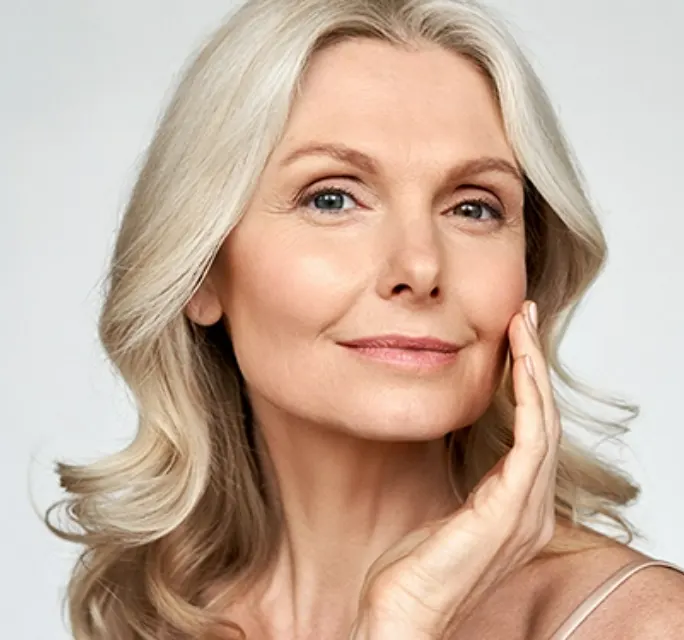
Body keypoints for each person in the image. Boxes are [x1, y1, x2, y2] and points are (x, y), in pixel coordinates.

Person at [45, 0, 684, 638]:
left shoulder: (643, 624)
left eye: (474, 208)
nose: (420, 265)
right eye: (332, 198)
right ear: (202, 268)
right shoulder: (148, 617)